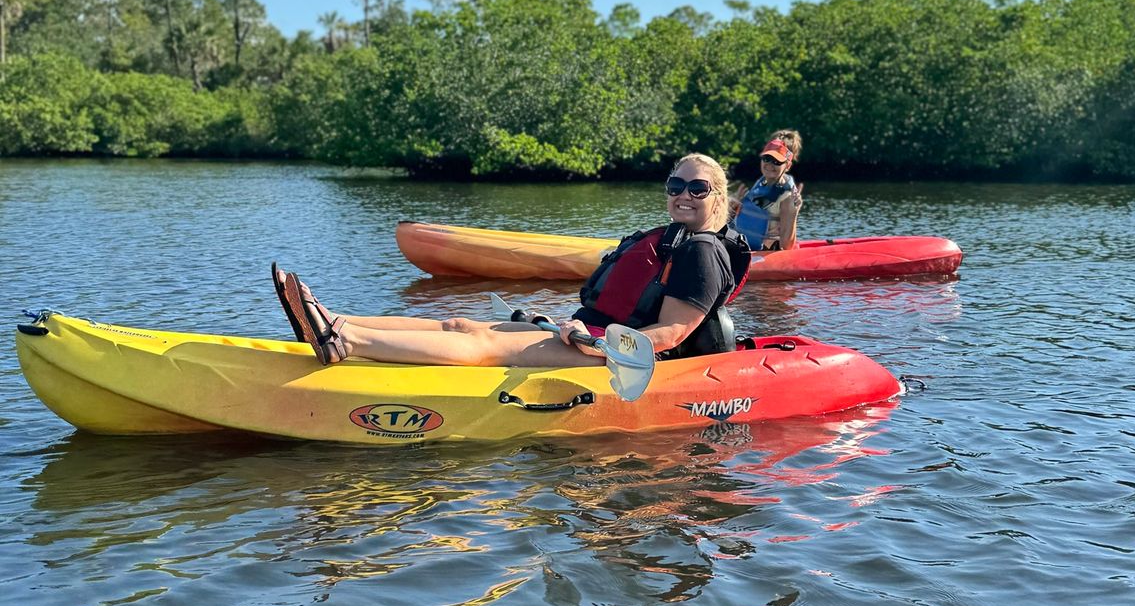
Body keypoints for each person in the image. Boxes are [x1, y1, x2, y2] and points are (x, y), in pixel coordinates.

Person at [275, 153, 751, 369]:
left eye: (697, 188)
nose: (682, 196)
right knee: (460, 322)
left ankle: (347, 342)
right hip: (598, 336)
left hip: (632, 359)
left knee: (486, 345)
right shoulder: (673, 239)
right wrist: (575, 326)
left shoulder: (703, 253)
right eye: (675, 185)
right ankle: (334, 318)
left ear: (717, 197)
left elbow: (669, 335)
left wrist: (593, 344)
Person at [729, 130, 803, 251]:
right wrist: (735, 205)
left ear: (787, 165)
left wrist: (793, 213)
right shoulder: (760, 185)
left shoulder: (787, 196)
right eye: (766, 158)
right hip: (742, 246)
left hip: (765, 251)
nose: (769, 164)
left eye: (777, 161)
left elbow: (787, 246)